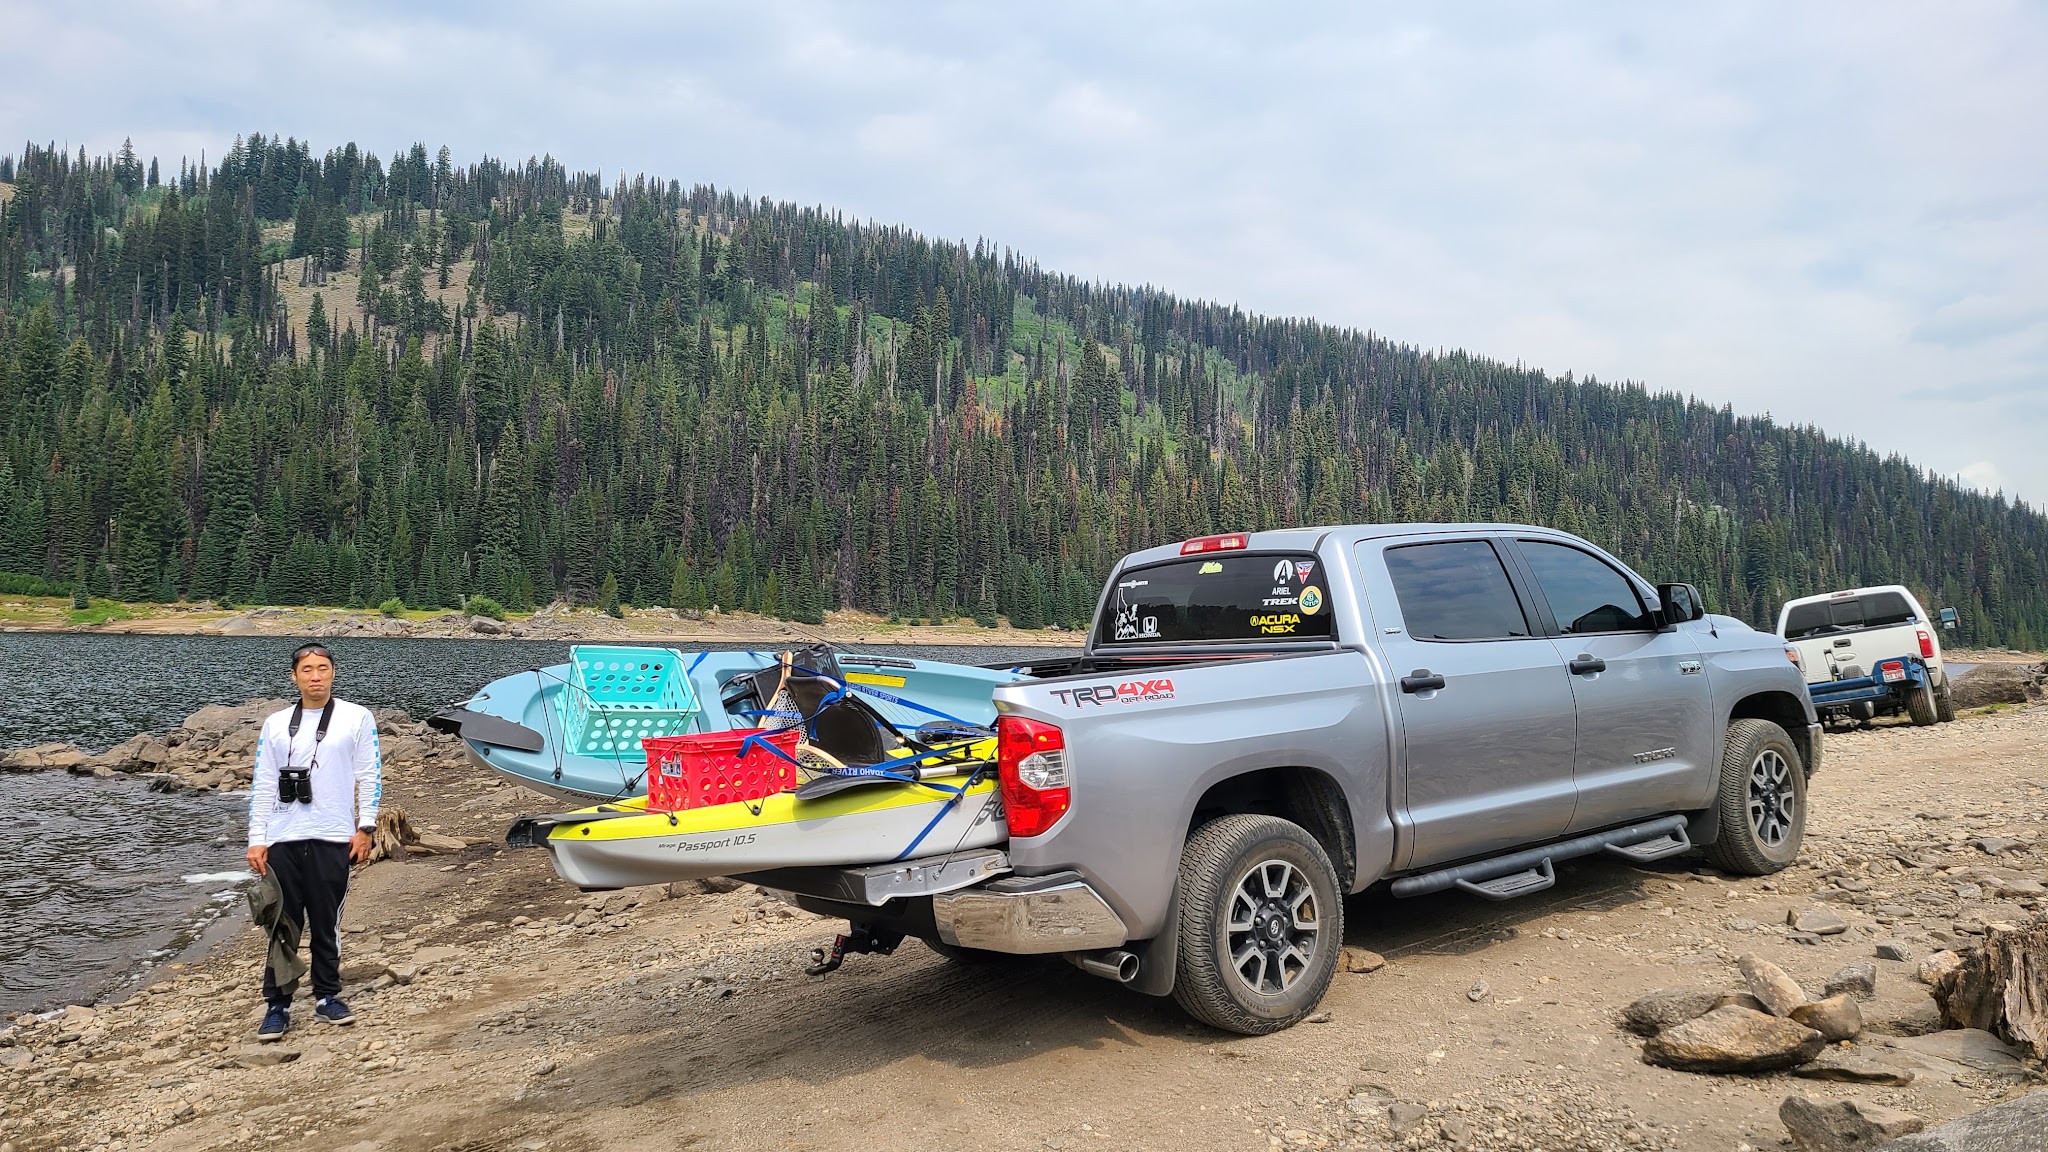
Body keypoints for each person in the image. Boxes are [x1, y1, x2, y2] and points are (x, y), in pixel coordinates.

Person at [245, 643, 382, 1041]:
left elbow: (370, 774)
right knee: (281, 923)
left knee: (326, 921)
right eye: (307, 670)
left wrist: (366, 828)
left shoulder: (356, 717)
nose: (315, 676)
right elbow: (264, 783)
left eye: (322, 668)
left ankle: (327, 996)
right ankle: (278, 1004)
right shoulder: (275, 724)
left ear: (333, 673)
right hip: (283, 837)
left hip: (333, 835)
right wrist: (257, 839)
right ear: (294, 676)